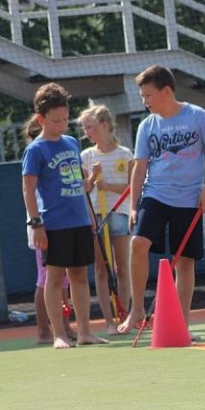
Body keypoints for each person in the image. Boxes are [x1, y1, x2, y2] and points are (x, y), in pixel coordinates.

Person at [117, 66, 205, 335]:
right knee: (138, 243)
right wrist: (133, 207)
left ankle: (182, 326)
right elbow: (140, 168)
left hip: (190, 199)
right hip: (155, 194)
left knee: (185, 261)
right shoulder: (147, 125)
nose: (145, 101)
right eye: (142, 96)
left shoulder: (196, 115)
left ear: (167, 91)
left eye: (149, 95)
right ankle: (137, 309)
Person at [22, 83, 108, 349]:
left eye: (65, 119)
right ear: (41, 119)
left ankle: (85, 332)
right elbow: (28, 189)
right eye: (55, 120)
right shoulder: (35, 150)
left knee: (79, 275)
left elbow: (78, 184)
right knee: (55, 278)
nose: (62, 125)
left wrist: (89, 214)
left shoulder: (71, 143)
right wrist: (36, 224)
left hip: (79, 220)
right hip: (54, 224)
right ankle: (58, 334)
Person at [78, 105, 133, 335]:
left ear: (104, 125)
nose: (86, 132)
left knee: (122, 267)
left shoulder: (125, 154)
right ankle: (109, 321)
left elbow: (132, 186)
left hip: (118, 213)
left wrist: (108, 185)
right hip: (97, 215)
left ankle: (125, 316)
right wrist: (92, 176)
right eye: (84, 128)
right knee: (101, 269)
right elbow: (85, 188)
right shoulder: (86, 156)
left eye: (89, 127)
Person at [22, 115, 76, 344]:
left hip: (62, 224)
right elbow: (29, 193)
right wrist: (37, 225)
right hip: (43, 227)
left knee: (63, 280)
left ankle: (64, 326)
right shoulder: (35, 156)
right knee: (45, 280)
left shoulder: (65, 148)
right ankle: (43, 331)